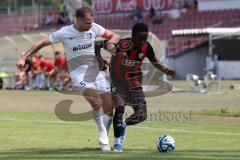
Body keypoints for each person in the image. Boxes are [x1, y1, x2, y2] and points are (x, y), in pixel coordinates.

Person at [17, 7, 120, 151]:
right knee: (96, 102)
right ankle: (103, 135)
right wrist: (23, 57)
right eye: (87, 23)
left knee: (109, 107)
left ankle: (104, 132)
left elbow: (114, 35)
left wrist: (111, 43)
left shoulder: (94, 28)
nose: (90, 25)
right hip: (78, 73)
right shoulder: (65, 32)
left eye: (91, 22)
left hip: (96, 72)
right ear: (77, 20)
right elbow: (41, 42)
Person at [95, 23, 175, 152]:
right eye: (140, 38)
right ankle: (117, 144)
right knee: (120, 108)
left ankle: (124, 126)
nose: (142, 41)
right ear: (132, 36)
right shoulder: (121, 44)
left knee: (142, 115)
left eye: (145, 38)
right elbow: (97, 44)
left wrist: (166, 70)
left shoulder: (146, 47)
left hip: (135, 84)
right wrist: (99, 60)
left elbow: (154, 61)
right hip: (118, 83)